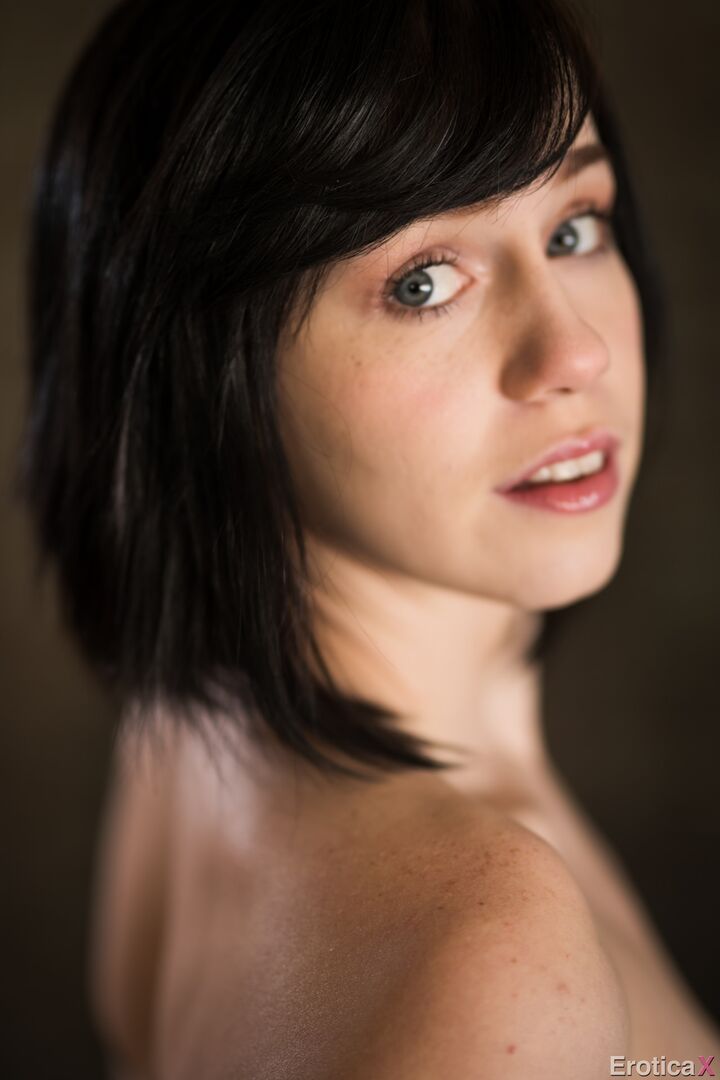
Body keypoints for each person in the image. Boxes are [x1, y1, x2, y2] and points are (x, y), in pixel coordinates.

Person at [17, 0, 720, 1077]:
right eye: (422, 282)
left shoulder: (192, 720)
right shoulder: (490, 957)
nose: (573, 353)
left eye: (573, 228)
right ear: (213, 372)